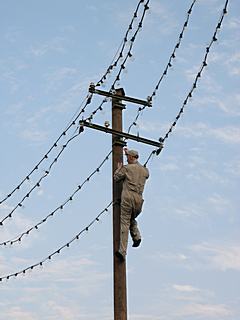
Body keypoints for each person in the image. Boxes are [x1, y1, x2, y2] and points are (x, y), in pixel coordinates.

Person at [114, 148, 149, 261]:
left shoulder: (127, 168)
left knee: (124, 221)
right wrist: (127, 151)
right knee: (130, 218)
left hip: (128, 196)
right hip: (139, 199)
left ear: (132, 157)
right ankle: (136, 236)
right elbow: (144, 172)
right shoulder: (145, 171)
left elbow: (116, 178)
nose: (126, 158)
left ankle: (122, 251)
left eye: (128, 156)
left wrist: (119, 169)